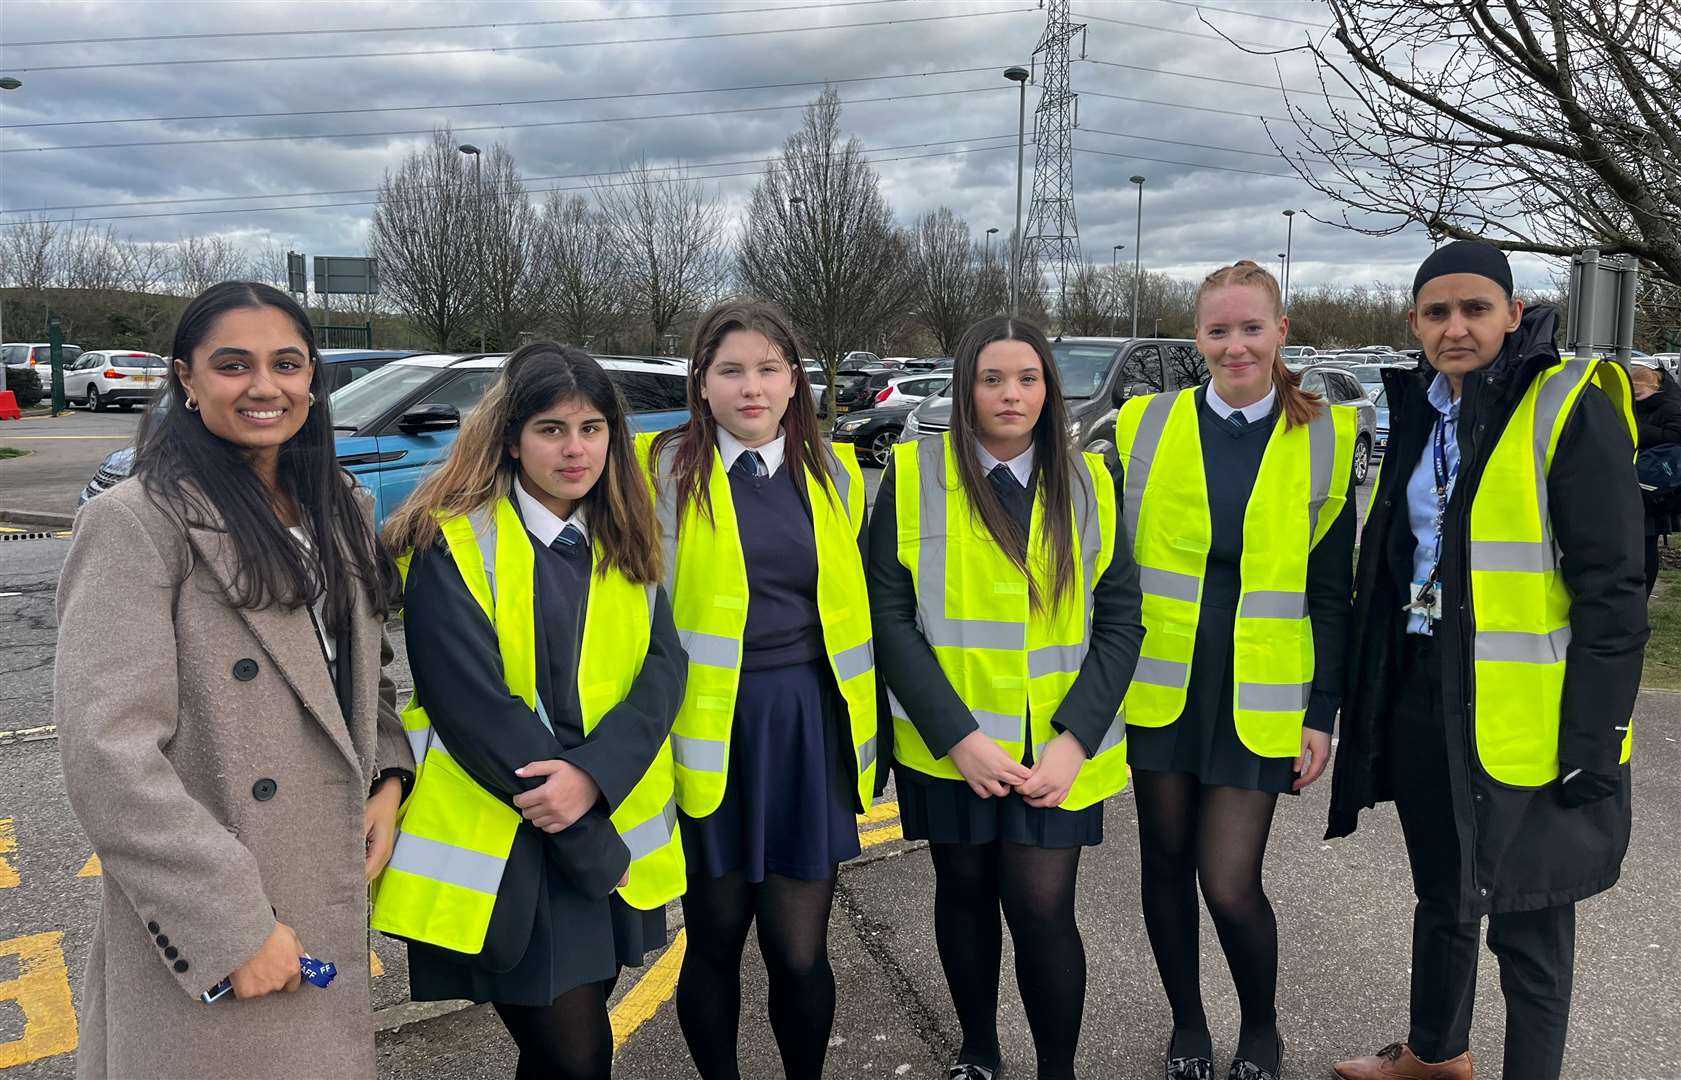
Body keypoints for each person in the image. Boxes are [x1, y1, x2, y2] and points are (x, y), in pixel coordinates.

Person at [55, 281, 413, 1080]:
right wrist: (229, 926)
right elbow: (107, 754)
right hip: (222, 915)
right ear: (185, 378)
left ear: (313, 378)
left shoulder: (341, 504)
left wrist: (388, 778)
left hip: (322, 881)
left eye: (287, 364)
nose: (264, 387)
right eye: (232, 365)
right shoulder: (136, 521)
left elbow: (364, 670)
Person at [1329, 241, 1646, 1080]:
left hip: (1525, 719)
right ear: (1413, 324)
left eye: (1475, 309)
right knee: (1442, 895)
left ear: (1513, 313)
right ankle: (1434, 1054)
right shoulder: (1419, 410)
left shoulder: (1562, 406)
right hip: (1422, 694)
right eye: (1436, 312)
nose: (1456, 327)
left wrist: (1595, 739)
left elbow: (1614, 592)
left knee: (1527, 925)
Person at [373, 343, 687, 1080]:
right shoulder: (452, 538)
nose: (573, 449)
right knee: (577, 1057)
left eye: (590, 428)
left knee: (560, 1056)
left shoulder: (622, 535)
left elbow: (662, 671)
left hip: (600, 828)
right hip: (520, 844)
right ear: (511, 439)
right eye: (551, 429)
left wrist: (596, 780)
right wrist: (579, 823)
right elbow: (471, 707)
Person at [869, 315, 1144, 1080]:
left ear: (1048, 390)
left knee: (1042, 910)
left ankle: (1056, 1068)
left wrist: (1075, 738)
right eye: (991, 378)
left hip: (1054, 753)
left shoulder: (1089, 480)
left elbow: (1120, 618)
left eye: (1027, 378)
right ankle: (977, 1053)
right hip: (951, 744)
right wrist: (958, 736)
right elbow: (887, 615)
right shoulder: (915, 473)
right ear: (964, 389)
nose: (1010, 394)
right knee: (962, 896)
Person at [1115, 260, 1357, 1080]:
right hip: (1161, 684)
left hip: (1258, 693)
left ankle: (1262, 1027)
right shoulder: (1143, 425)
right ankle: (1187, 1025)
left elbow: (1331, 591)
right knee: (1163, 870)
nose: (1234, 345)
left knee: (1227, 882)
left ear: (1281, 331)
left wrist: (1320, 712)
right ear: (1197, 339)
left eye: (1251, 327)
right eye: (1217, 330)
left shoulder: (1326, 433)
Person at [644, 301, 883, 1080]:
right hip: (706, 731)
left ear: (794, 383)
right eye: (731, 371)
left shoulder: (838, 473)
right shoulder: (657, 469)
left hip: (806, 729)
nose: (752, 387)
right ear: (701, 384)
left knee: (799, 949)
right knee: (712, 939)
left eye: (768, 369)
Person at [1631, 362, 1681, 595]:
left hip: (1657, 486)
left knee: (1647, 541)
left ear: (1654, 388)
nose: (1636, 398)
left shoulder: (1670, 407)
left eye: (1640, 393)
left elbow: (1674, 436)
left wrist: (1638, 431)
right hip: (1642, 480)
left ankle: (1643, 593)